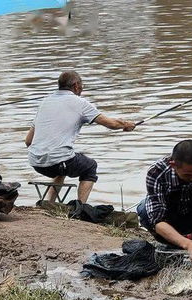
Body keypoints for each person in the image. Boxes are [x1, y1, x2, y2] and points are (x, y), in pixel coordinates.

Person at [25, 70, 136, 203]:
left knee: (62, 162)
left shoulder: (44, 102)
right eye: (82, 87)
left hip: (35, 162)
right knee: (90, 167)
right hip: (58, 162)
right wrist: (126, 125)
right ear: (76, 86)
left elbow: (28, 141)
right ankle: (81, 208)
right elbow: (110, 124)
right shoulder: (80, 103)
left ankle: (49, 203)